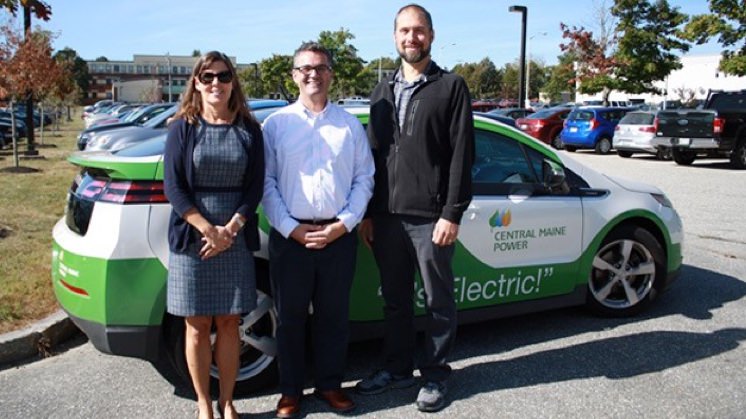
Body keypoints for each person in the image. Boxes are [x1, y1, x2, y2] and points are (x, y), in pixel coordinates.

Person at [354, 3, 475, 413]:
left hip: (431, 218)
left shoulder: (452, 86)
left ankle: (437, 374)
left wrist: (452, 213)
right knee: (395, 299)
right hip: (387, 217)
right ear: (394, 37)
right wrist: (368, 212)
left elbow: (462, 154)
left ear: (431, 35)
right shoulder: (381, 91)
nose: (411, 37)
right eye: (404, 30)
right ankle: (398, 367)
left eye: (419, 30)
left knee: (437, 299)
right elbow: (372, 156)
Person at [262, 41, 375, 418]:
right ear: (294, 75)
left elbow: (365, 179)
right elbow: (266, 183)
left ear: (331, 74)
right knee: (290, 320)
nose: (313, 74)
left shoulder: (348, 125)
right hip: (290, 239)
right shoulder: (276, 125)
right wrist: (291, 229)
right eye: (305, 68)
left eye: (321, 67)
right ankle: (290, 392)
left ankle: (329, 385)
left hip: (338, 238)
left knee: (333, 317)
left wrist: (344, 225)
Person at [163, 50, 264, 419]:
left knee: (228, 322)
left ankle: (228, 401)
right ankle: (204, 404)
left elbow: (254, 188)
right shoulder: (181, 128)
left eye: (222, 76)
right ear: (196, 82)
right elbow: (173, 187)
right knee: (197, 324)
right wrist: (208, 230)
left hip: (233, 233)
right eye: (207, 77)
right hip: (194, 236)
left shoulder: (249, 130)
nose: (216, 83)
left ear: (232, 81)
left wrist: (231, 229)